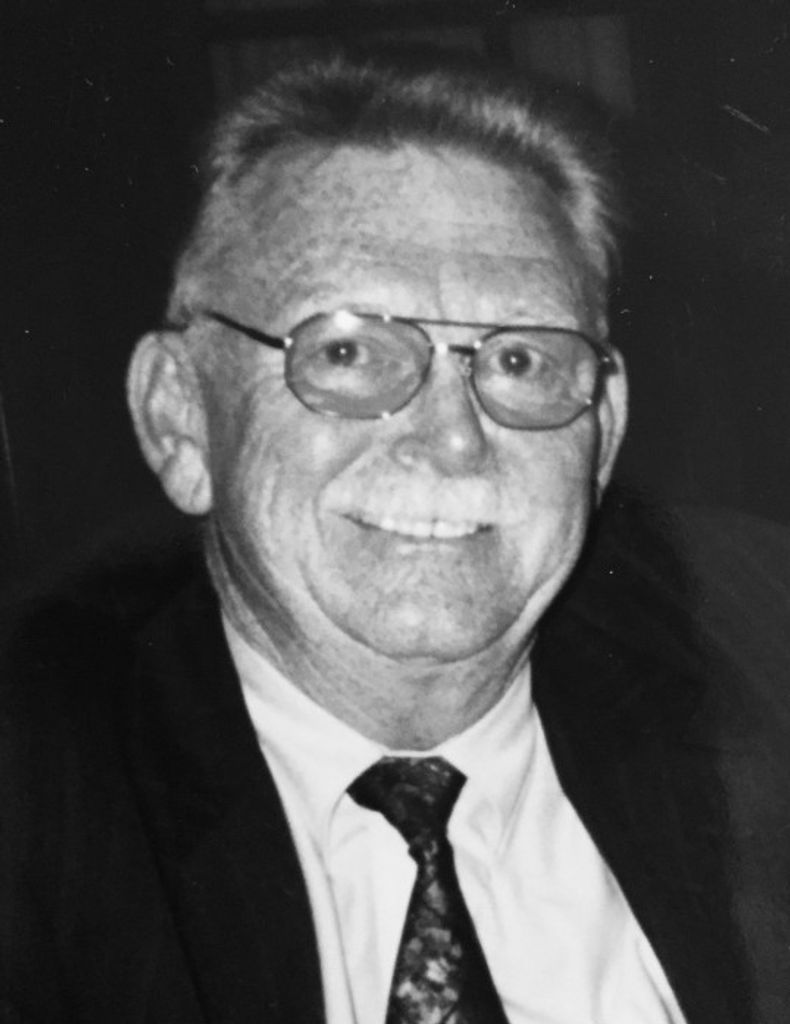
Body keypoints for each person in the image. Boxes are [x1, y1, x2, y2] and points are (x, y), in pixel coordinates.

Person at [2, 46, 790, 1024]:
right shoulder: (41, 803)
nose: (453, 440)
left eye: (520, 360)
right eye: (346, 351)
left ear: (603, 430)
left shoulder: (761, 651)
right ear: (182, 418)